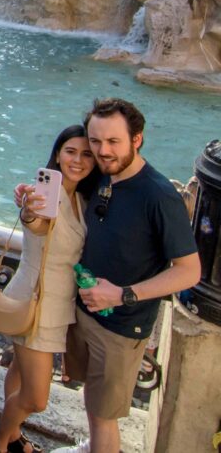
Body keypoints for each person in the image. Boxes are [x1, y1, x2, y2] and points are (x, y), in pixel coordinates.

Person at [49, 99, 199, 453]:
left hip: (120, 326)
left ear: (137, 139)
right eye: (96, 141)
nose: (103, 151)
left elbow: (190, 272)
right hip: (85, 312)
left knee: (104, 416)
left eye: (113, 141)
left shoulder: (159, 196)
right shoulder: (102, 175)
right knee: (95, 401)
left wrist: (122, 295)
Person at [0, 126, 98, 453]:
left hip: (55, 305)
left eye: (86, 153)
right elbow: (34, 219)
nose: (77, 160)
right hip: (36, 304)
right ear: (57, 154)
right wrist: (28, 209)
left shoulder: (80, 197)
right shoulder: (46, 194)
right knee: (36, 398)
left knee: (19, 372)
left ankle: (13, 435)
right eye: (70, 151)